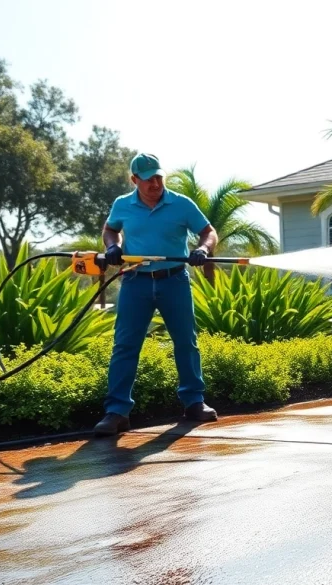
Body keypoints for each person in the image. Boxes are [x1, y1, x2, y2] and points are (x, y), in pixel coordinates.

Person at [92, 153, 219, 437]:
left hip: (174, 280)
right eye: (148, 178)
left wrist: (203, 250)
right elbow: (111, 229)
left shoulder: (181, 204)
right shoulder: (123, 205)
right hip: (135, 282)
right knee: (125, 346)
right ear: (134, 179)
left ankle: (194, 403)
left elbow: (208, 231)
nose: (155, 183)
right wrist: (113, 246)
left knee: (186, 342)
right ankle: (117, 412)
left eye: (158, 177)